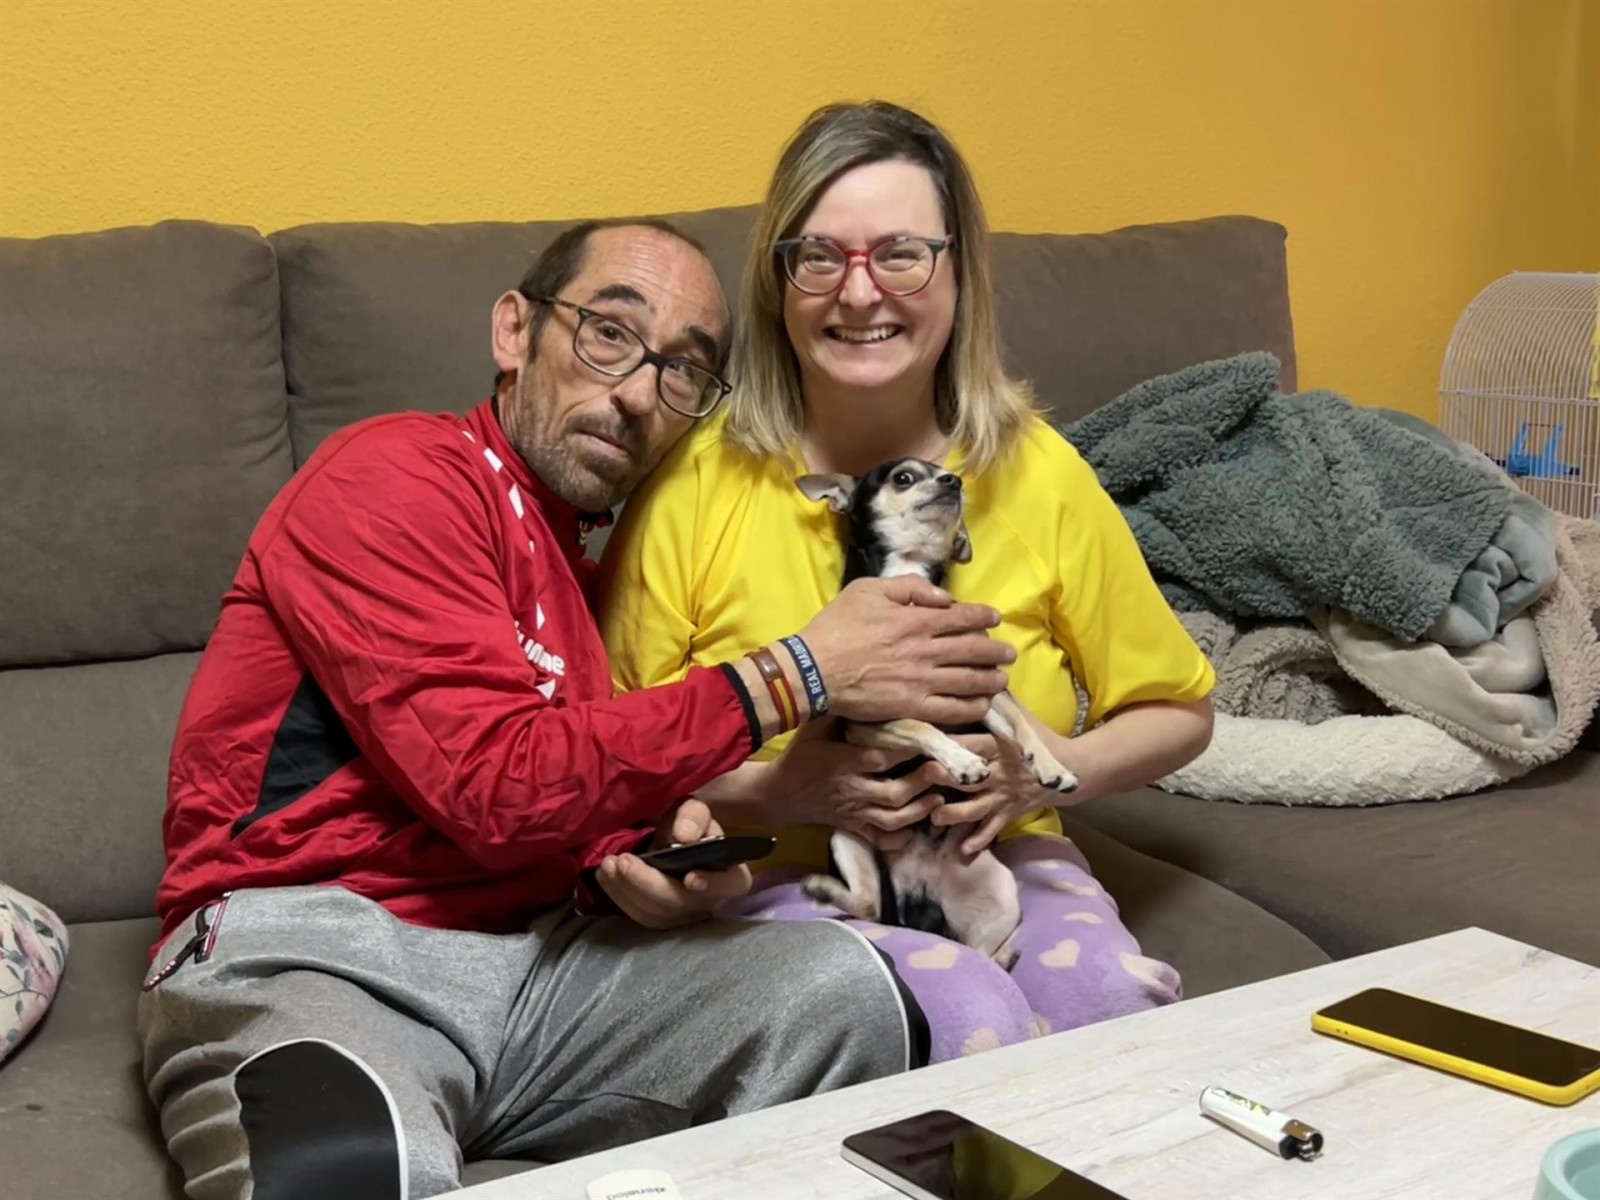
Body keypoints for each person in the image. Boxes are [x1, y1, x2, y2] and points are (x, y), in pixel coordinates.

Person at [138, 216, 1019, 1198]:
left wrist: (632, 867)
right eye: (610, 333)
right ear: (515, 331)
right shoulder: (390, 476)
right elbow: (493, 786)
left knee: (852, 998)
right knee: (351, 1166)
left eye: (682, 371)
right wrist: (803, 670)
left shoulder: (587, 582)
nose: (638, 392)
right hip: (319, 955)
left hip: (542, 973)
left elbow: (564, 797)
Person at [598, 102, 1217, 1064]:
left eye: (901, 255)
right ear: (778, 282)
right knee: (964, 1015)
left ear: (959, 273)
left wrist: (1045, 767)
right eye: (819, 257)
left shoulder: (1039, 473)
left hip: (997, 858)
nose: (859, 293)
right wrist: (787, 791)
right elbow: (609, 744)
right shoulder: (695, 483)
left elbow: (1180, 711)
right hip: (781, 876)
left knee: (1111, 1014)